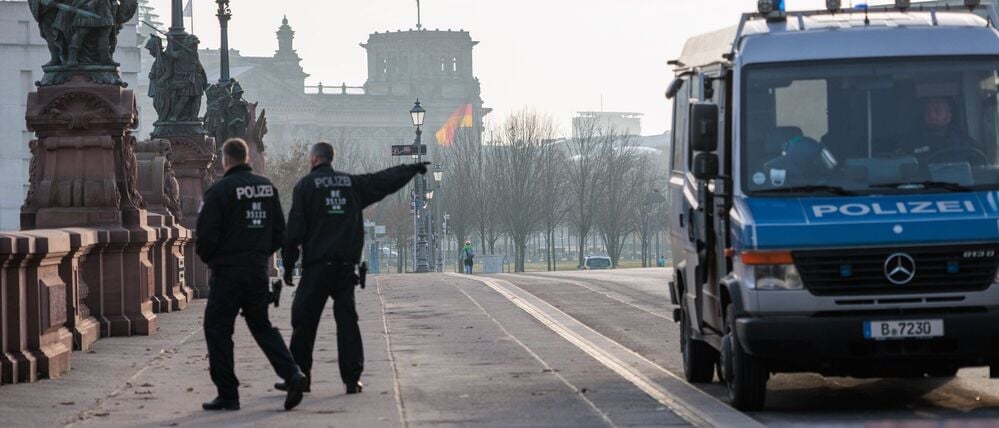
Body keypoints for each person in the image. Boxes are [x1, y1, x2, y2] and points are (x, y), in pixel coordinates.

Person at [276, 142, 427, 395]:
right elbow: (382, 181)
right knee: (347, 321)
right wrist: (410, 169)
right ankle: (352, 379)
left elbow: (295, 231)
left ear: (314, 159)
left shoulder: (305, 186)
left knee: (304, 320)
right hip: (346, 266)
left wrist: (289, 265)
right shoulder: (351, 184)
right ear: (330, 159)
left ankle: (300, 375)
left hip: (317, 267)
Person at [196, 139, 308, 411]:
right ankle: (293, 374)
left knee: (218, 330)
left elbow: (206, 236)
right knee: (262, 326)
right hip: (256, 270)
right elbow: (279, 232)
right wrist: (260, 255)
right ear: (246, 158)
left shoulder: (219, 191)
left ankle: (229, 394)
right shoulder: (267, 188)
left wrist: (213, 260)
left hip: (228, 272)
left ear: (225, 160)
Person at [899, 97, 982, 164]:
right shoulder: (910, 144)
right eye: (928, 111)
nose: (931, 115)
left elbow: (981, 173)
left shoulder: (967, 145)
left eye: (937, 110)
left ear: (949, 116)